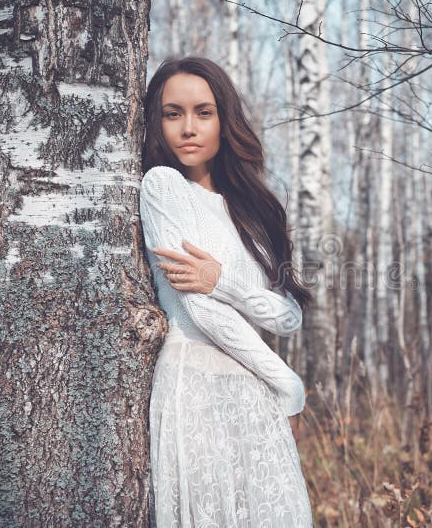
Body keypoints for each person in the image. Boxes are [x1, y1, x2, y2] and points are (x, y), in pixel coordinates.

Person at [139, 56, 315, 527]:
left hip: (255, 398)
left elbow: (288, 317)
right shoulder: (162, 187)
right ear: (156, 123)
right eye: (172, 113)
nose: (188, 128)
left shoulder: (252, 212)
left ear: (224, 119)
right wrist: (283, 378)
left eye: (204, 112)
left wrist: (224, 283)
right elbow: (199, 310)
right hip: (196, 385)